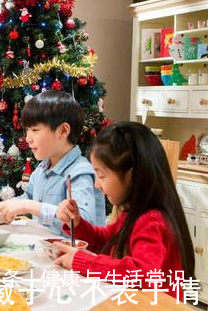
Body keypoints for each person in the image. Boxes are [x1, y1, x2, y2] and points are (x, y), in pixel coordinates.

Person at [54, 121, 195, 300]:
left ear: (131, 175)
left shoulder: (151, 220)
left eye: (101, 175)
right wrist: (77, 224)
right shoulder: (133, 213)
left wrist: (81, 261)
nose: (97, 184)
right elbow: (106, 240)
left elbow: (141, 273)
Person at [0, 90, 106, 235]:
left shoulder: (80, 172)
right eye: (27, 130)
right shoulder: (42, 169)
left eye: (35, 130)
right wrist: (0, 208)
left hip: (73, 255)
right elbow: (28, 199)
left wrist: (29, 206)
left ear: (63, 131)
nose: (28, 138)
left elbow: (84, 223)